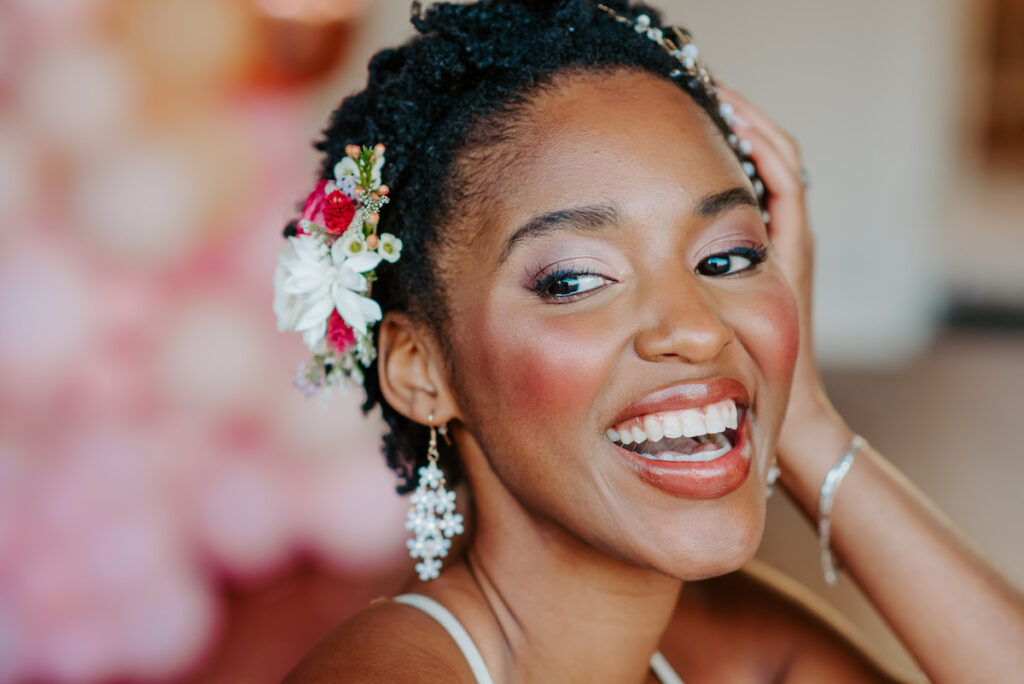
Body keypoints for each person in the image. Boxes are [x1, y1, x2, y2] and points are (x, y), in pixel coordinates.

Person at [276, 1, 1024, 681]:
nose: (698, 329)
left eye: (727, 259)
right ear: (420, 369)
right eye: (574, 280)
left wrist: (803, 422)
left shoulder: (728, 648)